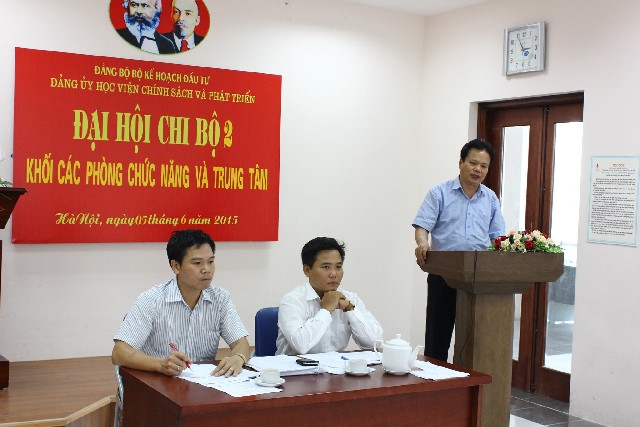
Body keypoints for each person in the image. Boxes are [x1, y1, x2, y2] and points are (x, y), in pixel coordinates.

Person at [412, 138, 505, 362]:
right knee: (438, 337)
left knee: (475, 338)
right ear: (461, 162)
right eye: (473, 163)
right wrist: (423, 243)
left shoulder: (490, 198)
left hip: (478, 277)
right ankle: (435, 378)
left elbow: (497, 237)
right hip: (444, 275)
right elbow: (422, 226)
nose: (478, 169)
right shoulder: (439, 193)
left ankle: (468, 379)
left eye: (483, 166)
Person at [112, 229, 250, 377]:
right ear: (176, 266)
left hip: (203, 383)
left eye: (211, 261)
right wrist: (160, 364)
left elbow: (240, 343)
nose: (206, 269)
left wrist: (238, 357)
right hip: (158, 382)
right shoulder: (151, 300)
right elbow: (119, 353)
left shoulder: (220, 298)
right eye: (197, 263)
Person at [276, 237, 383, 355]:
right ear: (307, 270)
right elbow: (301, 346)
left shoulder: (350, 299)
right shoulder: (292, 301)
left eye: (338, 267)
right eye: (326, 267)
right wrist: (326, 310)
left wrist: (349, 308)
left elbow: (374, 343)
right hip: (295, 366)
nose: (334, 274)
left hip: (336, 366)